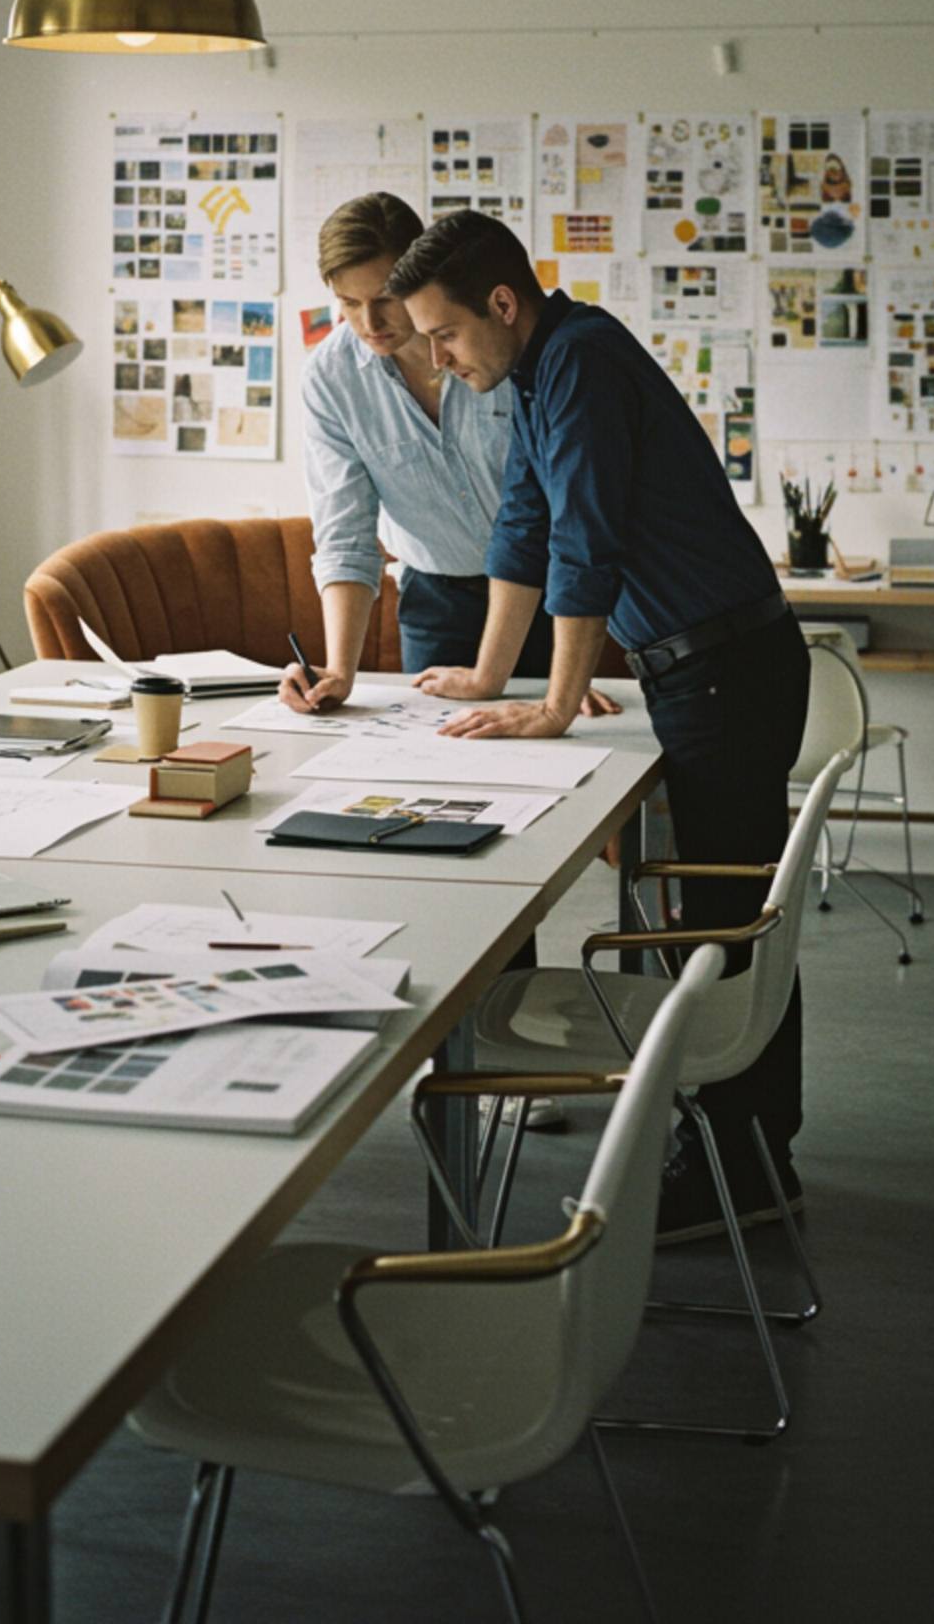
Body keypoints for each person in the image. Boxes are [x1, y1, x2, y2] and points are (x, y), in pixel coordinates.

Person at [386, 209, 812, 1243]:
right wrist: (492, 675)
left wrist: (551, 703)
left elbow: (587, 543)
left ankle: (743, 1169)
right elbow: (524, 525)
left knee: (717, 926)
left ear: (501, 303)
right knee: (708, 915)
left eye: (443, 335)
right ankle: (739, 1147)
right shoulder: (540, 372)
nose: (435, 360)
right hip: (701, 671)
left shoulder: (577, 361)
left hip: (725, 672)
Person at [282, 190, 617, 714]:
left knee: (566, 749)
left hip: (551, 595)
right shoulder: (331, 378)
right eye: (348, 303)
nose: (369, 322)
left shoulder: (499, 344)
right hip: (436, 600)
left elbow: (558, 507)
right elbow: (344, 531)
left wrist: (562, 688)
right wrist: (338, 672)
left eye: (386, 298)